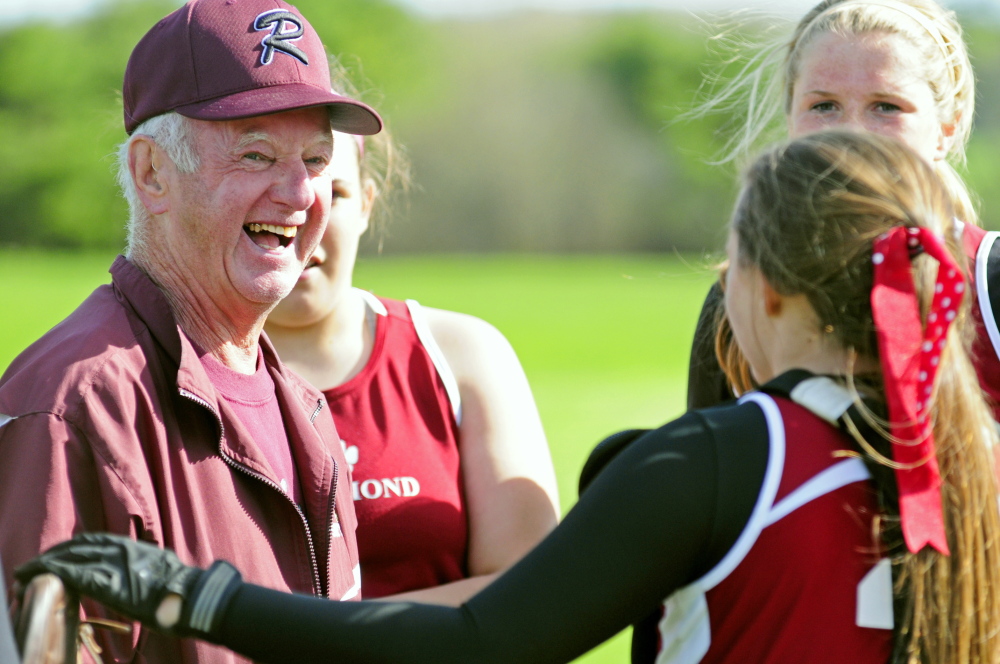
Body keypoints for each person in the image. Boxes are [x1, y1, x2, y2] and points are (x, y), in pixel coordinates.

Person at [20, 131, 1000, 663]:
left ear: (767, 288)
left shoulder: (712, 460)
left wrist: (198, 594)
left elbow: (481, 640)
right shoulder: (975, 464)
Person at [0, 0, 382, 661]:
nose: (298, 193)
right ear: (152, 173)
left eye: (317, 159)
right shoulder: (73, 408)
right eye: (257, 155)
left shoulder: (301, 405)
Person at [262, 95, 561, 602]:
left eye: (333, 193)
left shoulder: (462, 356)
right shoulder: (172, 372)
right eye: (274, 188)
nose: (302, 214)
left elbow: (534, 597)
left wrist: (306, 638)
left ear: (368, 206)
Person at [685, 0, 1000, 417]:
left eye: (887, 107)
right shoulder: (744, 295)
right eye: (823, 106)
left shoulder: (990, 285)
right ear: (790, 122)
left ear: (946, 130)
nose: (851, 133)